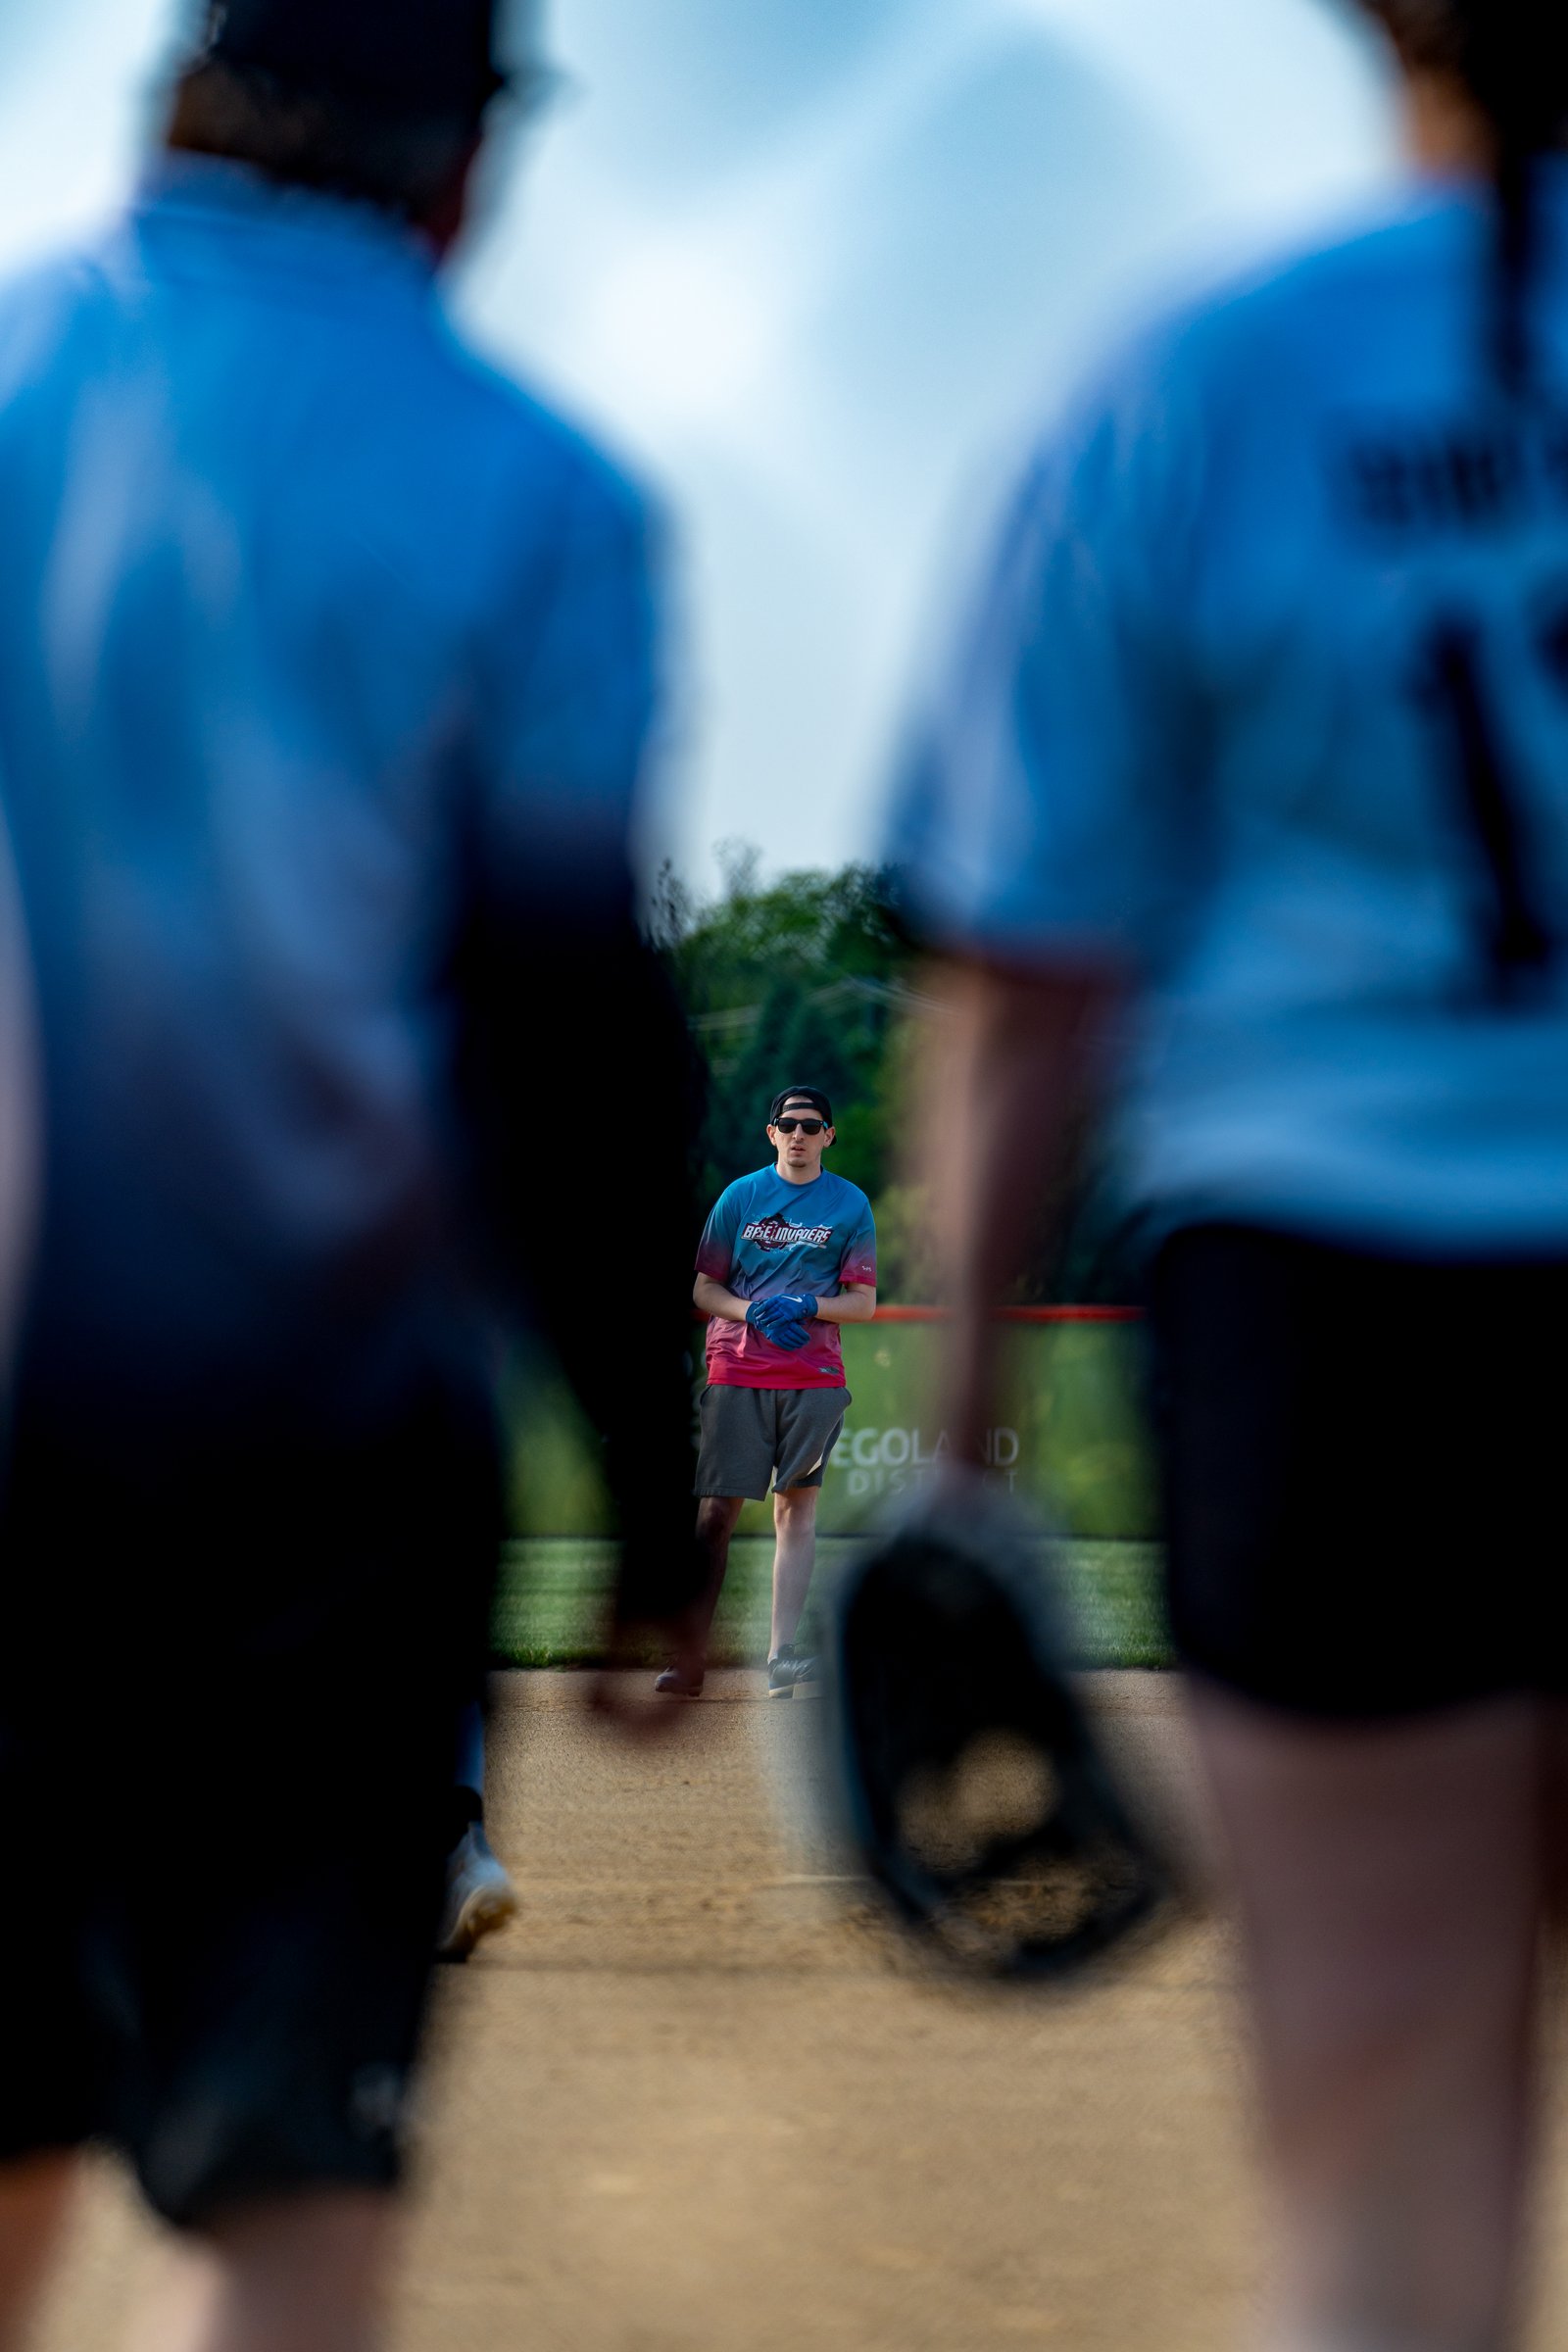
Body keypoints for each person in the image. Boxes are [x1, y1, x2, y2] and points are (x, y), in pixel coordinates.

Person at [0, 3, 705, 2347]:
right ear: (450, 161)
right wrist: (644, 1492)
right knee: (295, 2188)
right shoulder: (530, 483)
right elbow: (569, 1024)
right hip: (314, 1452)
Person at [889, 5, 1568, 2346]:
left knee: (1377, 2145)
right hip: (1333, 1283)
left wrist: (959, 1465)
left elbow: (1021, 980)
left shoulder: (1203, 374)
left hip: (1341, 1297)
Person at [657, 1086, 877, 1698]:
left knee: (795, 1511)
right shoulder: (741, 1197)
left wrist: (810, 1303)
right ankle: (691, 1654)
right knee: (715, 1515)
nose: (799, 1134)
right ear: (771, 1131)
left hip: (813, 1377)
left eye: (812, 1125)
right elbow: (704, 1290)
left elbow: (863, 1303)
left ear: (829, 1135)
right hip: (737, 1370)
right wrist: (752, 1311)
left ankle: (781, 1655)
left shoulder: (850, 1204)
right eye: (788, 1123)